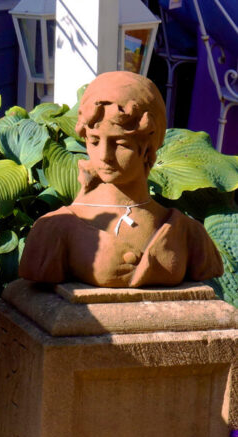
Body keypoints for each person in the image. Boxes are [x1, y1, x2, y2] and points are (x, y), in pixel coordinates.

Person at [18, 71, 223, 287]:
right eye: (94, 141)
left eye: (121, 144)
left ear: (148, 149)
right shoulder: (54, 230)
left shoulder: (188, 234)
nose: (104, 156)